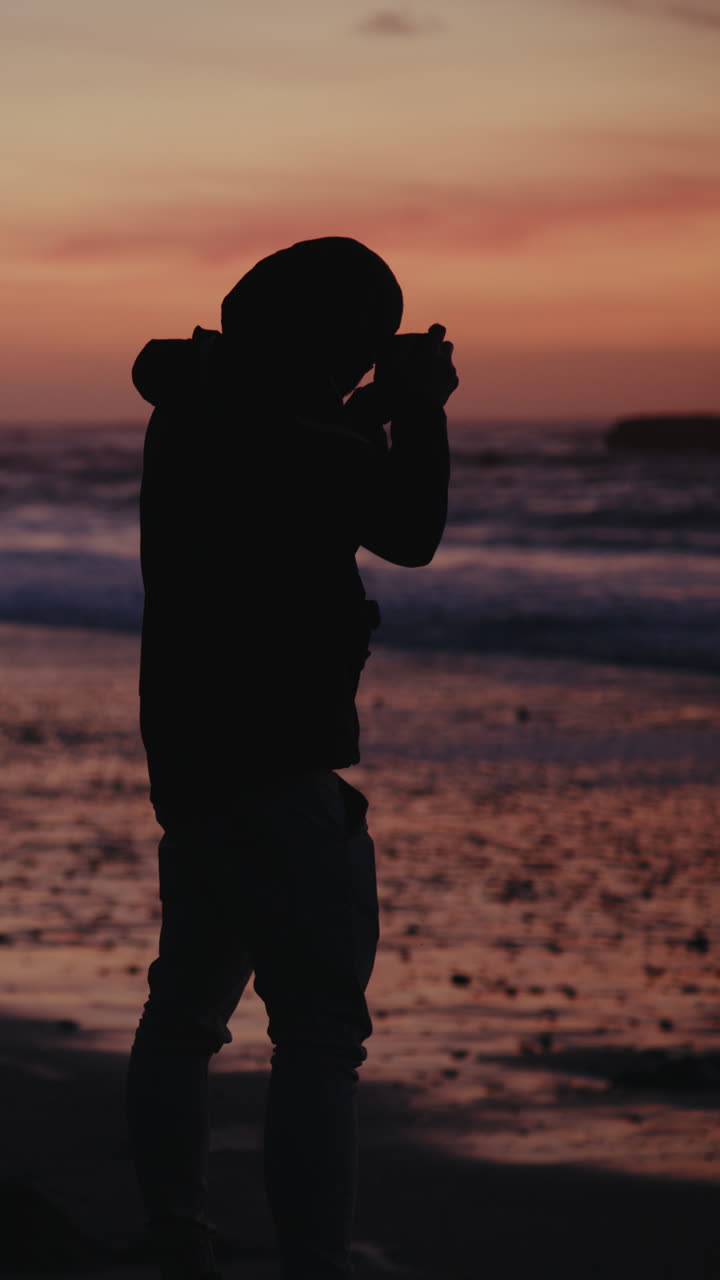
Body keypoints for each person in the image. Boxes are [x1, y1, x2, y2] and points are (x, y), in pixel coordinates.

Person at [126, 235, 458, 1280]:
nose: (366, 366)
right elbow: (408, 528)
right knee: (320, 1039)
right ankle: (314, 1259)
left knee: (184, 1017)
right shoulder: (308, 435)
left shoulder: (197, 408)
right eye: (360, 344)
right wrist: (426, 408)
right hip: (283, 772)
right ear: (334, 340)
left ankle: (177, 1226)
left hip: (194, 762)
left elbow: (311, 459)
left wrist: (374, 409)